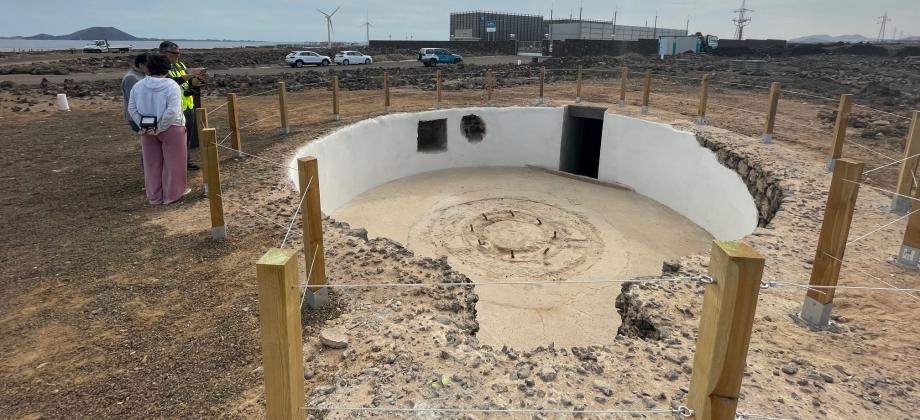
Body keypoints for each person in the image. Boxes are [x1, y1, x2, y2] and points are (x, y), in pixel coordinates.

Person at [128, 54, 190, 205]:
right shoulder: (171, 85)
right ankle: (172, 195)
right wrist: (160, 127)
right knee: (174, 162)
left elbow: (132, 108)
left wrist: (144, 125)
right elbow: (173, 110)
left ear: (148, 67)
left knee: (151, 164)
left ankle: (154, 197)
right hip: (172, 127)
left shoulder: (138, 85)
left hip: (147, 129)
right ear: (167, 68)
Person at [158, 41, 205, 170]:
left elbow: (187, 83)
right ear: (163, 53)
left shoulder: (179, 65)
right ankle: (173, 164)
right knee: (174, 139)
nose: (177, 56)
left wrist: (197, 80)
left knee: (187, 137)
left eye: (179, 53)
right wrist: (191, 74)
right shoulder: (159, 68)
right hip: (173, 110)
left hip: (187, 106)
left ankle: (185, 161)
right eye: (174, 53)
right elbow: (169, 82)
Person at [122, 53, 148, 133]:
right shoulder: (131, 78)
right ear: (141, 65)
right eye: (150, 65)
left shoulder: (142, 75)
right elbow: (134, 102)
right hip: (137, 118)